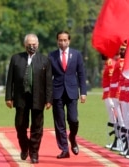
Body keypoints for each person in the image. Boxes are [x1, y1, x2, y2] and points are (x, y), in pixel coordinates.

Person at [5, 33, 53, 164]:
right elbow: (10, 80)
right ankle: (24, 146)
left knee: (37, 126)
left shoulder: (44, 60)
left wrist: (49, 99)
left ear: (38, 45)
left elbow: (49, 82)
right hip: (21, 96)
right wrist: (8, 97)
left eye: (34, 44)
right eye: (29, 44)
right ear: (25, 45)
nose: (32, 46)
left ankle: (34, 152)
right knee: (20, 124)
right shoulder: (16, 58)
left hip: (38, 97)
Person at [48, 31, 87, 159]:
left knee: (73, 119)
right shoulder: (52, 56)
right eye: (60, 40)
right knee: (60, 123)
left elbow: (81, 74)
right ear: (57, 41)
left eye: (65, 40)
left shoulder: (76, 55)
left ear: (69, 41)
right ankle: (64, 149)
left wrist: (83, 92)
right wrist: (47, 96)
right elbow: (48, 77)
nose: (63, 42)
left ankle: (72, 138)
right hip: (57, 92)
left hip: (72, 91)